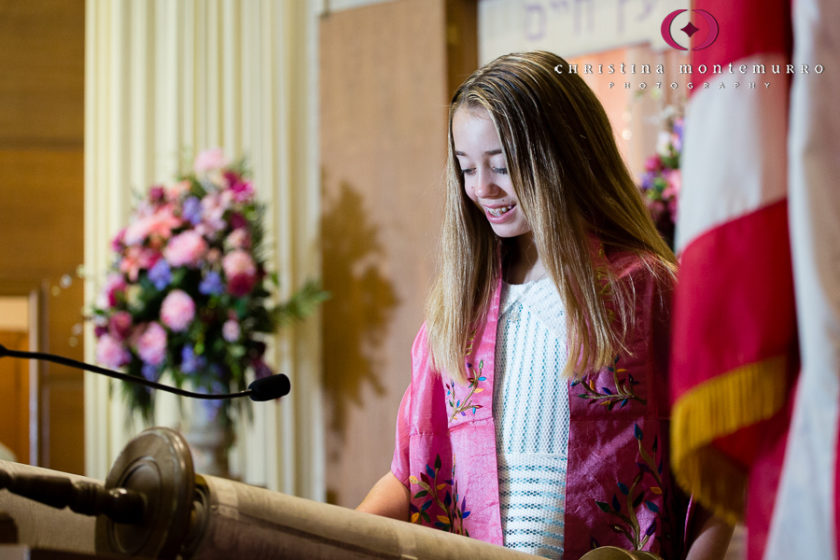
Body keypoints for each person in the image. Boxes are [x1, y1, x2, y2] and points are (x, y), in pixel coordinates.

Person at [357, 51, 732, 559]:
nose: (482, 188)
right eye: (467, 168)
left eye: (502, 166)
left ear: (565, 156)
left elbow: (718, 462)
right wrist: (320, 538)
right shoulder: (457, 314)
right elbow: (410, 475)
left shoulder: (645, 291)